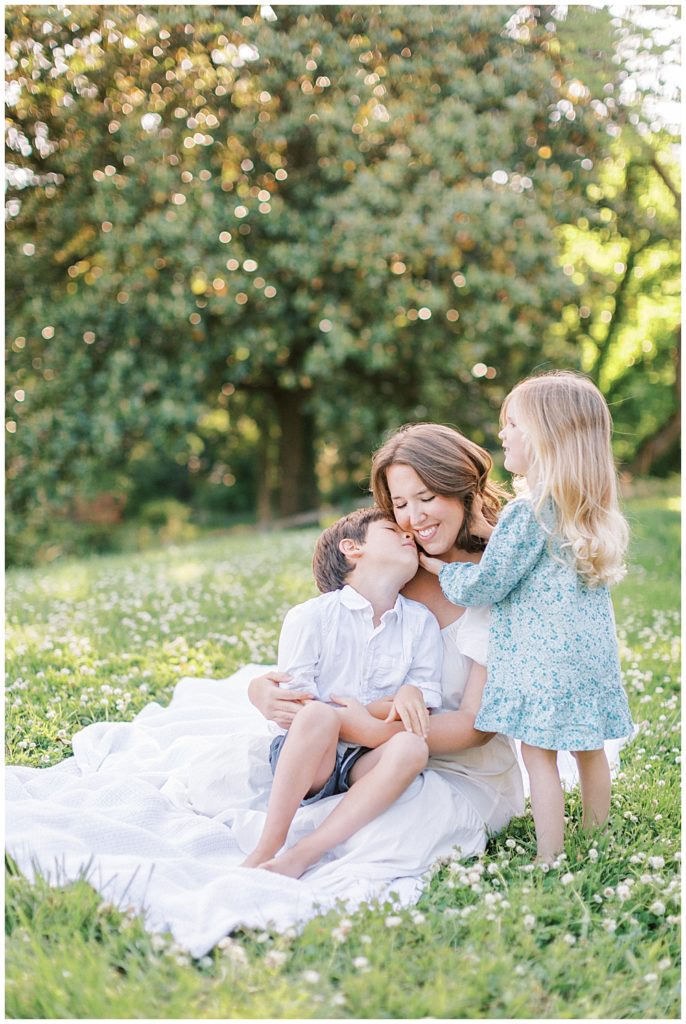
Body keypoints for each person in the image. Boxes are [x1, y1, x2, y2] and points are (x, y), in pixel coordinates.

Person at [249, 423, 526, 863]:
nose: (414, 519)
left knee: (382, 843)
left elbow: (476, 726)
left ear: (461, 489)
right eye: (400, 504)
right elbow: (333, 655)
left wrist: (363, 728)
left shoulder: (500, 579)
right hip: (366, 759)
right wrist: (264, 691)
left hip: (461, 771)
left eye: (427, 497)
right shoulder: (398, 567)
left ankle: (297, 855)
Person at [419, 371, 634, 864]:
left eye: (512, 424)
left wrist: (444, 569)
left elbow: (491, 582)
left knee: (539, 755)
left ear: (544, 436)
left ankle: (548, 856)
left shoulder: (528, 511)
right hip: (587, 660)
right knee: (588, 748)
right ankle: (597, 836)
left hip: (543, 664)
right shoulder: (584, 507)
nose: (502, 435)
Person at [241, 506, 446, 878]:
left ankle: (305, 853)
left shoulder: (421, 623)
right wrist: (372, 710)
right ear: (352, 548)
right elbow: (298, 710)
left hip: (363, 762)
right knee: (318, 715)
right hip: (310, 758)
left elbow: (419, 716)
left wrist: (409, 695)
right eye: (391, 529)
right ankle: (267, 846)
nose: (408, 535)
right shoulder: (311, 617)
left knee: (413, 747)